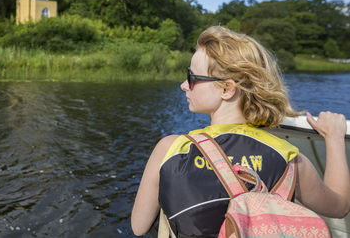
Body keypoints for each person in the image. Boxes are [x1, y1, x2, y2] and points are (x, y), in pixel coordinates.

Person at [131, 26, 350, 237]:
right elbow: (340, 207)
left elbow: (139, 226)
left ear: (227, 89)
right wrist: (334, 137)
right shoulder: (291, 160)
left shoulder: (170, 149)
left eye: (192, 77)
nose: (184, 85)